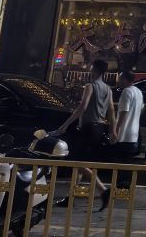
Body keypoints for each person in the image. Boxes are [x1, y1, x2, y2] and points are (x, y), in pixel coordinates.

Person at [51, 59, 116, 210]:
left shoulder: (90, 86)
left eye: (91, 68)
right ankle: (71, 197)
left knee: (78, 163)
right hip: (99, 128)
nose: (90, 70)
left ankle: (103, 190)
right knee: (80, 163)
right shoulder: (108, 89)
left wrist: (64, 125)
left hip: (87, 128)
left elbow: (82, 107)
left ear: (95, 70)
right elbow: (112, 111)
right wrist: (113, 131)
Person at [113, 70, 143, 188]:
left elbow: (123, 112)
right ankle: (126, 189)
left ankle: (120, 188)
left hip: (124, 134)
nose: (118, 81)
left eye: (120, 79)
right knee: (128, 164)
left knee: (120, 165)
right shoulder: (139, 92)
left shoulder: (126, 92)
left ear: (125, 79)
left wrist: (115, 130)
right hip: (134, 134)